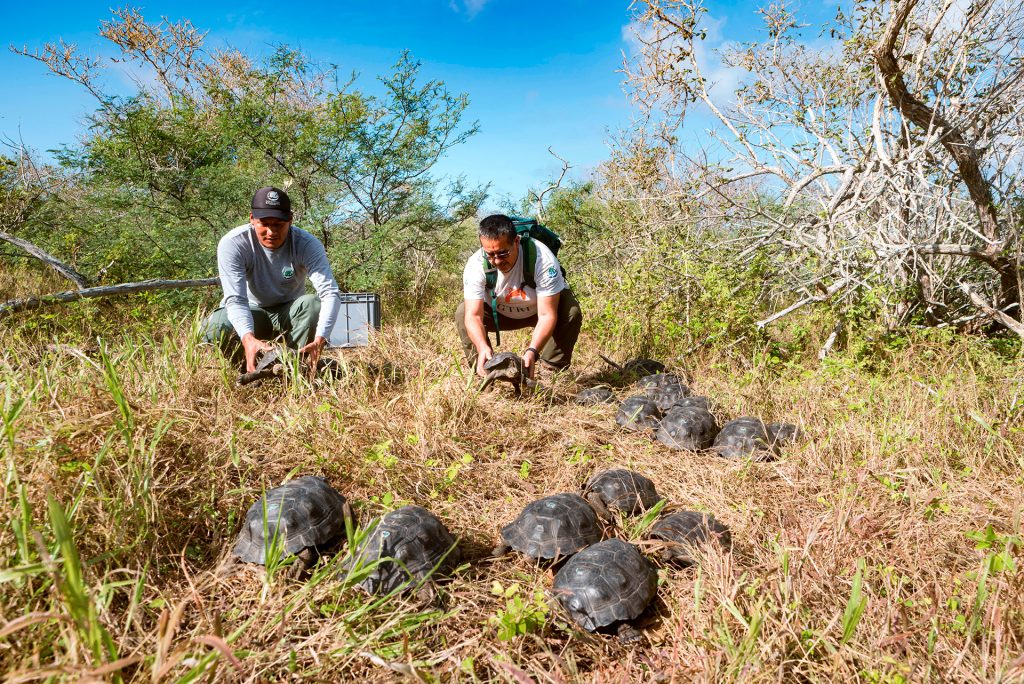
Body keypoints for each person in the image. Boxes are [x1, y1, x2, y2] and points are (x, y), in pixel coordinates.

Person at [202, 186, 341, 373]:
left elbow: (329, 293)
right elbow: (235, 299)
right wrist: (247, 337)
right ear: (252, 219)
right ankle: (248, 368)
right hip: (252, 311)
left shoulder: (307, 244)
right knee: (216, 325)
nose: (271, 232)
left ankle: (292, 368)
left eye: (278, 225)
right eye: (264, 223)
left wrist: (321, 338)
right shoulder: (234, 243)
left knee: (313, 304)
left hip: (289, 313)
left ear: (290, 220)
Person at [457, 213, 582, 378]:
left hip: (537, 312)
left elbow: (546, 315)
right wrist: (481, 347)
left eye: (502, 253)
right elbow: (473, 316)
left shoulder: (542, 259)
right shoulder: (476, 264)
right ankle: (483, 370)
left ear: (516, 241)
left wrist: (532, 351)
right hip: (499, 314)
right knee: (462, 313)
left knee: (570, 311)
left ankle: (551, 371)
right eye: (490, 255)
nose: (497, 261)